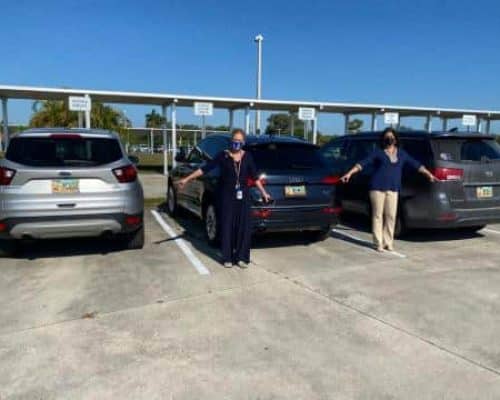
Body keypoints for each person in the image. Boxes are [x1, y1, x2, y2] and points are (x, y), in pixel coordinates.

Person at [177, 129, 271, 268]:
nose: (236, 143)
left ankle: (241, 257)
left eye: (239, 141)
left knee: (243, 227)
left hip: (243, 196)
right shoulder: (223, 155)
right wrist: (187, 179)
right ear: (230, 141)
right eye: (234, 140)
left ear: (243, 142)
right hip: (227, 196)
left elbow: (255, 177)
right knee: (227, 226)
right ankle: (227, 257)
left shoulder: (248, 157)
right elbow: (205, 169)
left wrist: (264, 192)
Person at [340, 128, 436, 252]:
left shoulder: (402, 154)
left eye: (391, 137)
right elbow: (362, 164)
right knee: (377, 216)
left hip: (393, 189)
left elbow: (416, 165)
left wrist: (429, 174)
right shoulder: (378, 153)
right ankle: (378, 243)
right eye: (387, 137)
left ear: (395, 139)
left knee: (391, 216)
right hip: (377, 188)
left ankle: (388, 242)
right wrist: (349, 174)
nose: (389, 139)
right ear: (383, 140)